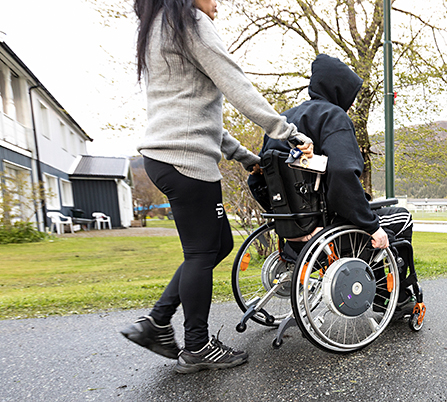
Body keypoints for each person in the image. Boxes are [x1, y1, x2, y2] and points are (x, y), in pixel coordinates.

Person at [120, 0, 313, 374]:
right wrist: (287, 133)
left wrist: (245, 157)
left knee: (216, 245)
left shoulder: (161, 26)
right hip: (186, 160)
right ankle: (196, 346)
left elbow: (199, 115)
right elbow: (235, 82)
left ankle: (158, 322)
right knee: (201, 253)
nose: (218, 5)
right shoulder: (187, 20)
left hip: (166, 157)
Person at [253, 54, 415, 301]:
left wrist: (287, 219)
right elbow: (342, 174)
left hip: (293, 235)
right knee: (400, 217)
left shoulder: (284, 121)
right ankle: (393, 300)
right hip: (326, 233)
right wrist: (371, 225)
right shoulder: (333, 116)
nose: (350, 104)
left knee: (372, 214)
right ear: (340, 91)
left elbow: (258, 179)